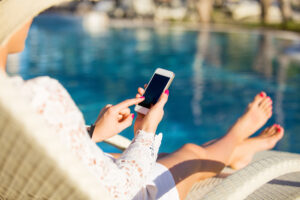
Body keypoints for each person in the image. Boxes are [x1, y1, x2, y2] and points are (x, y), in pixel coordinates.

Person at [0, 0, 284, 199]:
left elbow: (31, 152)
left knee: (149, 156)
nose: (32, 17)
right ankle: (238, 136)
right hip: (127, 195)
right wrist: (144, 133)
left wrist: (93, 133)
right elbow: (123, 190)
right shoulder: (39, 97)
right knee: (191, 155)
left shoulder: (13, 105)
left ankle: (236, 151)